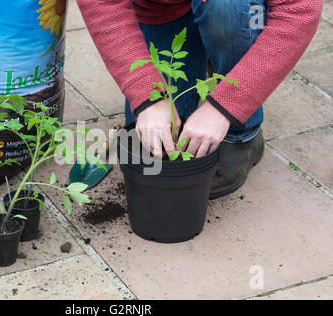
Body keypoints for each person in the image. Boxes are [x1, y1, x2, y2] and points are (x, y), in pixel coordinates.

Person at [76, 0, 323, 199]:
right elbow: (102, 5)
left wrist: (225, 107)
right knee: (155, 147)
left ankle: (243, 135)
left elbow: (301, 9)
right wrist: (148, 96)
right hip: (159, 9)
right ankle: (205, 50)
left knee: (227, 10)